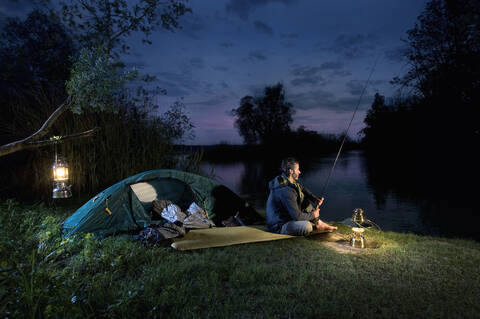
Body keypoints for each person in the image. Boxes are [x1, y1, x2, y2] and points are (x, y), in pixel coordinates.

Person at [266, 157, 337, 236]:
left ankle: (319, 223)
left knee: (301, 196)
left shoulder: (283, 179)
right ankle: (317, 222)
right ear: (291, 171)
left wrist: (314, 199)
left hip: (286, 217)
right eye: (298, 169)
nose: (300, 172)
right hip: (279, 225)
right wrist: (313, 215)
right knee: (307, 226)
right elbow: (297, 216)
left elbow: (302, 189)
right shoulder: (286, 190)